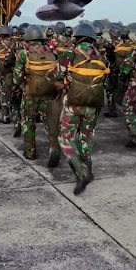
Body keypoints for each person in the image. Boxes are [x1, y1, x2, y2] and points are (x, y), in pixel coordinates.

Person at [54, 22, 109, 195]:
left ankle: (81, 173)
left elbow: (57, 74)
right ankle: (89, 169)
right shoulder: (101, 56)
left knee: (65, 139)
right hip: (93, 105)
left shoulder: (70, 54)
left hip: (73, 105)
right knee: (86, 139)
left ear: (76, 38)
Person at [13, 25, 59, 161]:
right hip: (49, 94)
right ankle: (54, 147)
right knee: (50, 122)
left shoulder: (24, 54)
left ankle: (30, 151)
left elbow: (17, 77)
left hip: (31, 94)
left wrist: (23, 87)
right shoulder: (52, 52)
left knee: (28, 122)